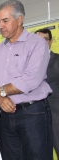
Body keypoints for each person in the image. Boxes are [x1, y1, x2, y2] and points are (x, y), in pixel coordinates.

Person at [0, 0, 53, 159]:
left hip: (33, 114)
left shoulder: (36, 43)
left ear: (20, 19)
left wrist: (0, 92)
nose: (0, 25)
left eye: (5, 20)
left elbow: (31, 79)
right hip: (6, 115)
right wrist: (1, 99)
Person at [35, 28, 59, 157]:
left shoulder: (58, 60)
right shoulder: (28, 64)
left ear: (50, 42)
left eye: (44, 40)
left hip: (56, 115)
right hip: (35, 115)